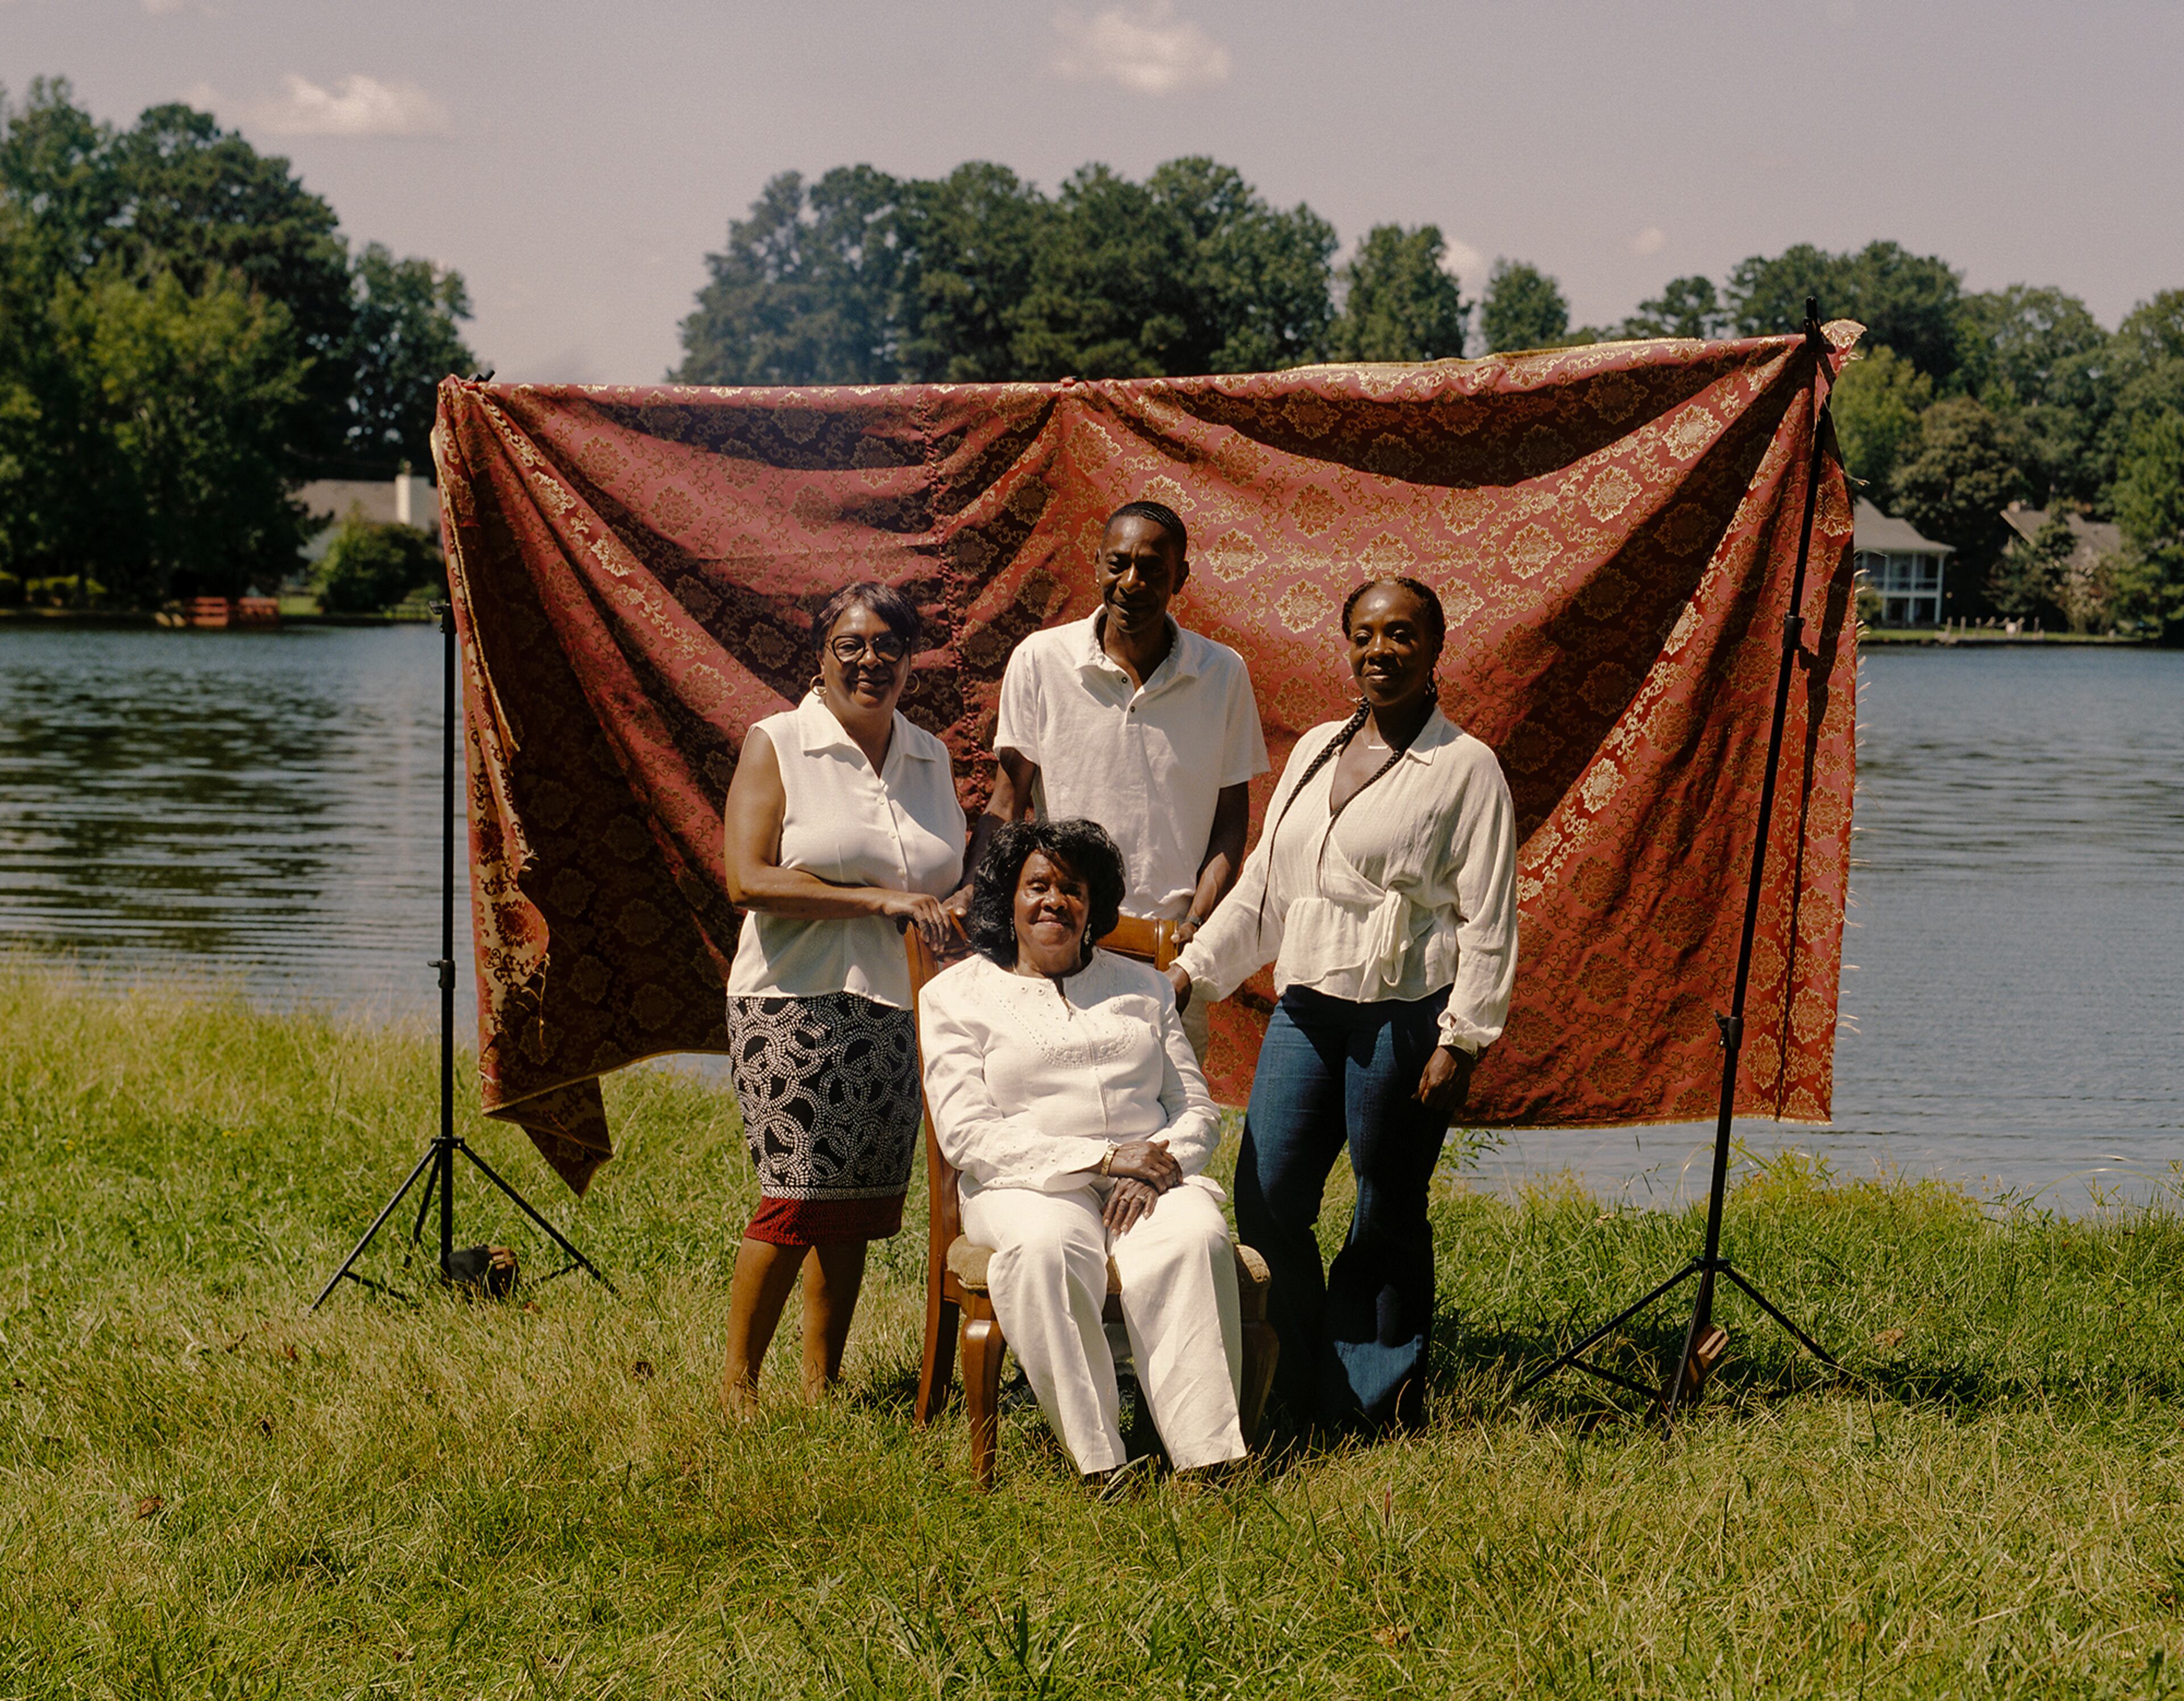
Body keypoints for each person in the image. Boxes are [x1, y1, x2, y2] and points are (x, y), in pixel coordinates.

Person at [1168, 576, 1517, 1430]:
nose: (1381, 651)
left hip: (1404, 1015)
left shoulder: (1464, 765)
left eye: (1402, 634)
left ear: (1436, 648)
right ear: (1347, 645)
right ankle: (1290, 1375)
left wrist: (1463, 1039)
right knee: (1269, 1197)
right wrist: (1193, 972)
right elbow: (1263, 891)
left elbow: (1490, 914)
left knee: (1385, 1208)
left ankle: (1372, 1400)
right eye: (1365, 635)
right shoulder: (1318, 748)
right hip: (1309, 1011)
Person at [919, 818, 1248, 1480]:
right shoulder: (954, 997)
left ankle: (1209, 1461)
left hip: (1147, 1180)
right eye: (1037, 885)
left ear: (1093, 905)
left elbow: (1195, 1113)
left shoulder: (1147, 989)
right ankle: (1100, 1464)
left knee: (1196, 1237)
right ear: (1008, 901)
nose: (1053, 901)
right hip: (1026, 1188)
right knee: (1046, 1249)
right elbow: (966, 1133)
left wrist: (1156, 1166)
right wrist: (1101, 1159)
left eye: (1072, 889)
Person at [719, 581, 966, 1414]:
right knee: (794, 1197)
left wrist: (958, 909)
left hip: (902, 1005)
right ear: (820, 657)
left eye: (888, 645)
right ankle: (737, 1391)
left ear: (909, 659)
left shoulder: (931, 757)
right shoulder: (780, 742)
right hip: (794, 1002)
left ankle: (823, 1388)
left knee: (854, 1207)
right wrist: (880, 901)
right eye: (850, 644)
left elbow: (947, 881)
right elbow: (746, 878)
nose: (870, 660)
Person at [963, 500, 1267, 1063]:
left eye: (1153, 568)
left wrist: (1195, 925)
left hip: (1166, 956)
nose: (1133, 582)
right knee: (1061, 1119)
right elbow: (1008, 804)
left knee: (1161, 1133)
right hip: (1061, 941)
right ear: (1097, 565)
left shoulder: (1221, 673)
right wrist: (982, 912)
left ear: (1181, 576)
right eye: (1119, 563)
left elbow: (1230, 828)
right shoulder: (1041, 660)